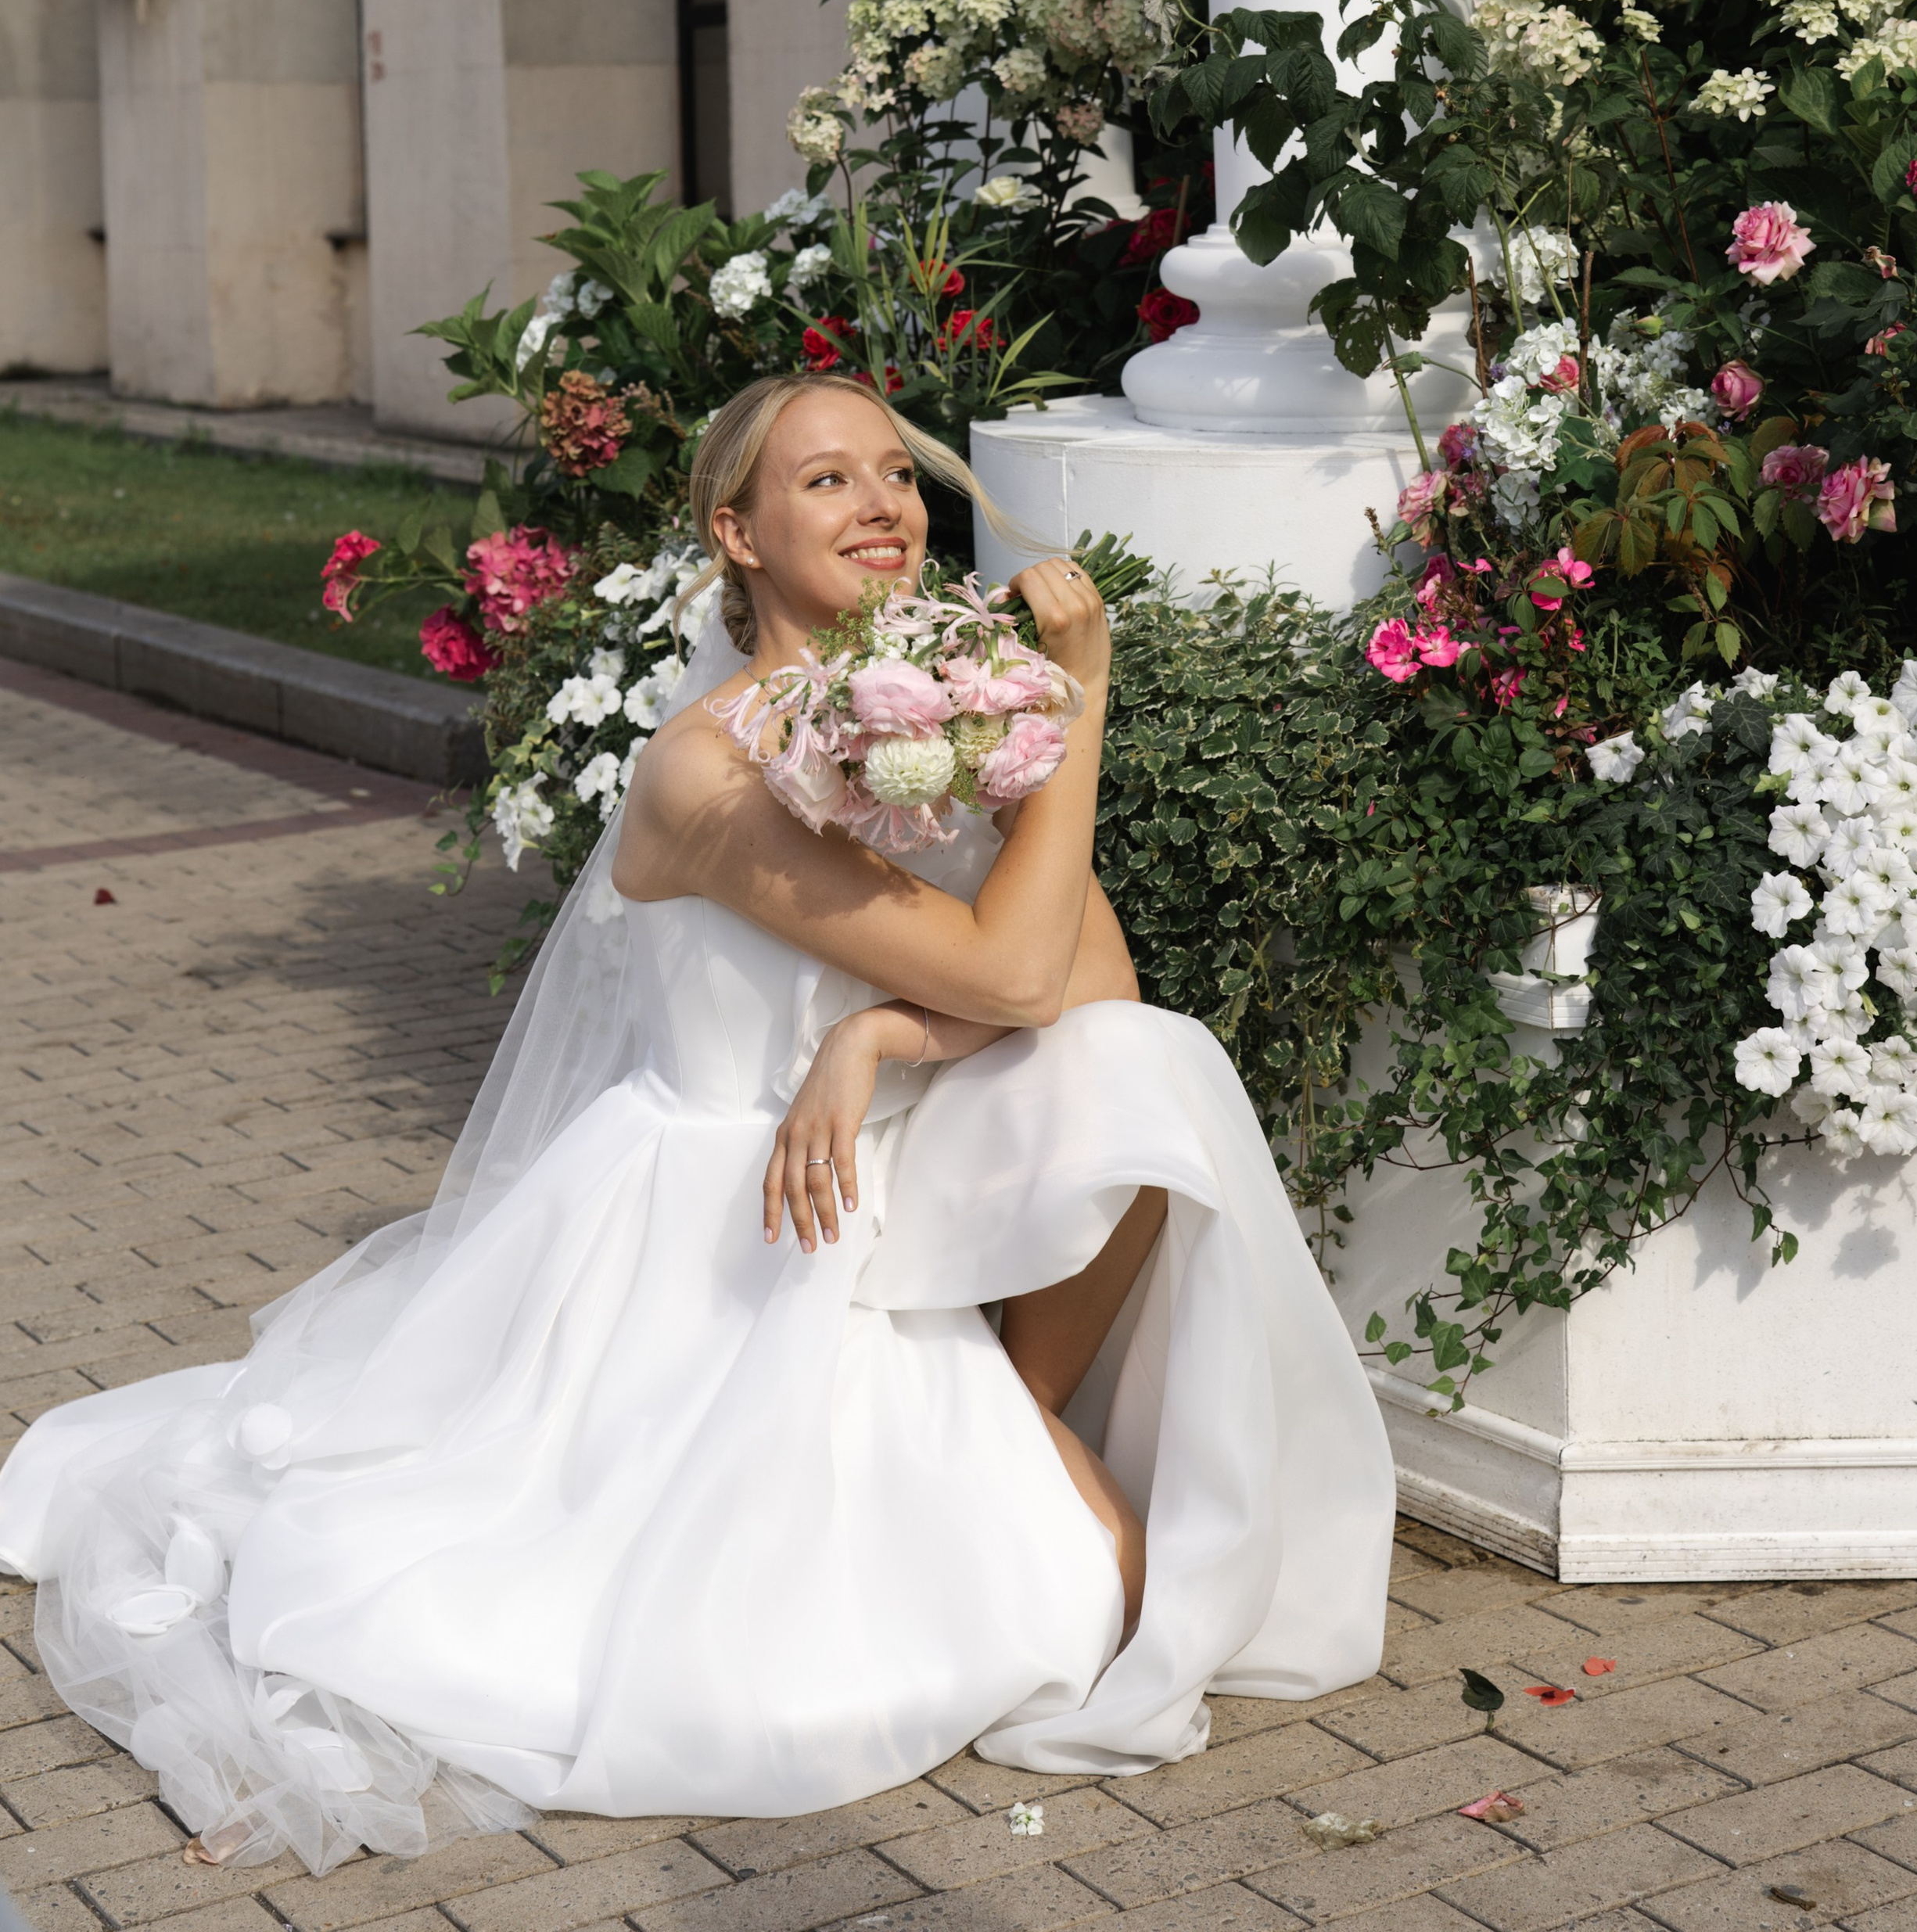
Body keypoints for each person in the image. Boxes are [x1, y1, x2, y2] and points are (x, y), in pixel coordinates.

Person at [0, 375, 1393, 1878]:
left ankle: (1006, 1404)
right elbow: (1010, 968)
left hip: (890, 1179)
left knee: (1150, 1065)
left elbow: (1082, 988)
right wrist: (1086, 702)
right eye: (825, 482)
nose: (884, 506)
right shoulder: (708, 769)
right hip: (735, 1226)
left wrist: (885, 1027)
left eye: (897, 476)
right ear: (735, 532)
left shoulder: (945, 708)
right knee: (1092, 1593)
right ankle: (971, 1441)